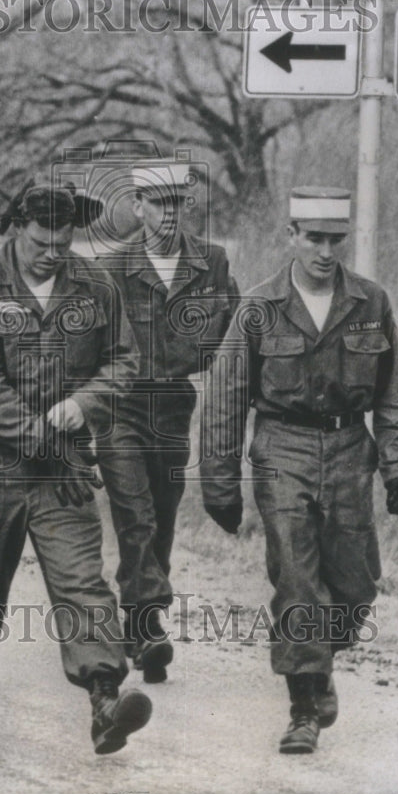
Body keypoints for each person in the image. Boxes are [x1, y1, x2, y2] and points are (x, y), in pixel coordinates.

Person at [200, 186, 398, 754]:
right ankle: (302, 705)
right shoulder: (257, 307)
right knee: (298, 580)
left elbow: (396, 391)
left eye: (334, 240)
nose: (325, 251)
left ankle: (320, 660)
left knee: (354, 586)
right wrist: (219, 484)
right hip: (283, 449)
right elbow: (225, 398)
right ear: (291, 237)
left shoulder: (370, 302)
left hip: (350, 448)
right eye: (313, 238)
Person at [0, 179, 153, 753]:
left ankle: (106, 698)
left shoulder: (96, 286)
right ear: (17, 230)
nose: (53, 252)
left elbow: (123, 361)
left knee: (83, 582)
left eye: (63, 242)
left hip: (63, 469)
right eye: (40, 242)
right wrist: (48, 436)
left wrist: (84, 404)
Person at [96, 163, 238, 682]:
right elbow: (91, 343)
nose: (167, 214)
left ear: (187, 206)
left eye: (176, 203)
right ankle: (153, 619)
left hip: (175, 405)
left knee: (162, 515)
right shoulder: (112, 268)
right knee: (134, 513)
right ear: (137, 206)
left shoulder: (212, 264)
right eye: (157, 203)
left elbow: (231, 334)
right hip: (121, 406)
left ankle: (138, 625)